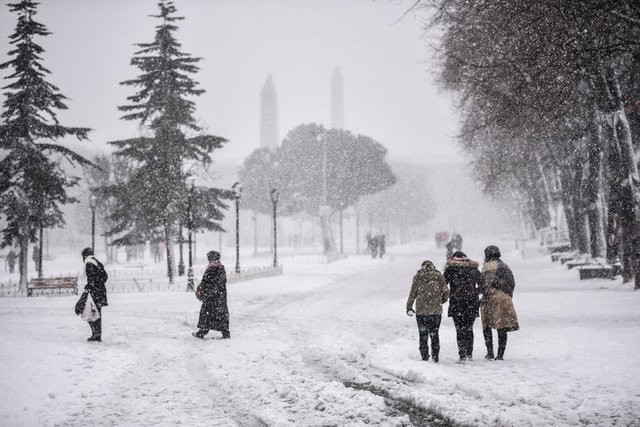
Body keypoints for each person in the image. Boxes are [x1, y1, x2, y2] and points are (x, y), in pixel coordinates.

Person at [444, 250, 484, 362]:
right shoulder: (473, 269)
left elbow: (443, 285)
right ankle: (469, 354)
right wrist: (475, 293)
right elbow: (483, 285)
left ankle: (462, 355)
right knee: (469, 328)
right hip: (471, 303)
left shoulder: (450, 269)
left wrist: (450, 294)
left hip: (456, 304)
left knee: (459, 329)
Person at [406, 260, 449, 362]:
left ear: (422, 267)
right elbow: (446, 291)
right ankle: (435, 355)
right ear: (433, 266)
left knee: (423, 334)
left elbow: (412, 294)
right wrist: (441, 301)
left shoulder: (418, 277)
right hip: (436, 312)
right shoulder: (439, 276)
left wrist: (409, 307)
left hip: (421, 312)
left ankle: (424, 356)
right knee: (435, 333)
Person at [480, 245, 519, 360]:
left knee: (486, 325)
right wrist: (507, 295)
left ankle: (490, 352)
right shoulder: (505, 266)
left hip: (491, 298)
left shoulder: (488, 266)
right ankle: (500, 354)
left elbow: (485, 284)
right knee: (502, 326)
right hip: (505, 298)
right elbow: (512, 282)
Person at [193, 250, 230, 339]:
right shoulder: (216, 267)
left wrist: (208, 291)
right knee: (219, 314)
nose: (208, 260)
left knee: (207, 314)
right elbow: (207, 281)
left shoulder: (216, 268)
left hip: (213, 296)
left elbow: (218, 282)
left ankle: (202, 332)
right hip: (217, 297)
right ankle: (224, 332)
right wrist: (201, 287)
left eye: (209, 258)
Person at [82, 247, 108, 342]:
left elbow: (92, 279)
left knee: (91, 313)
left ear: (85, 256)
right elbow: (105, 277)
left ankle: (96, 334)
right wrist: (99, 284)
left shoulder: (89, 263)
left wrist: (91, 286)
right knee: (96, 313)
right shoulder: (97, 262)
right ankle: (97, 334)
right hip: (100, 292)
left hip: (94, 292)